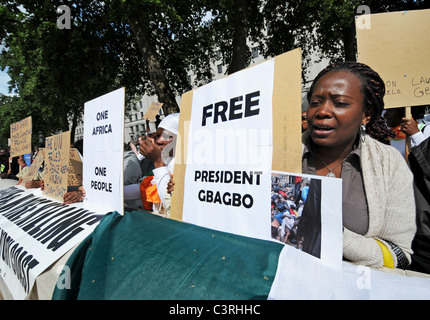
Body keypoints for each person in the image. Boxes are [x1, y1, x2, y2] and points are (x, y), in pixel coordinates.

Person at [303, 61, 416, 269]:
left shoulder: (389, 163)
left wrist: (333, 234)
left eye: (340, 103)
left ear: (366, 115)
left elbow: (399, 254)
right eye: (315, 102)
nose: (322, 111)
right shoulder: (279, 154)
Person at [124, 113, 179, 214]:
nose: (159, 141)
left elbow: (171, 204)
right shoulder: (168, 163)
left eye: (166, 136)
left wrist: (158, 161)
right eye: (158, 136)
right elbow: (142, 188)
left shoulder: (186, 168)